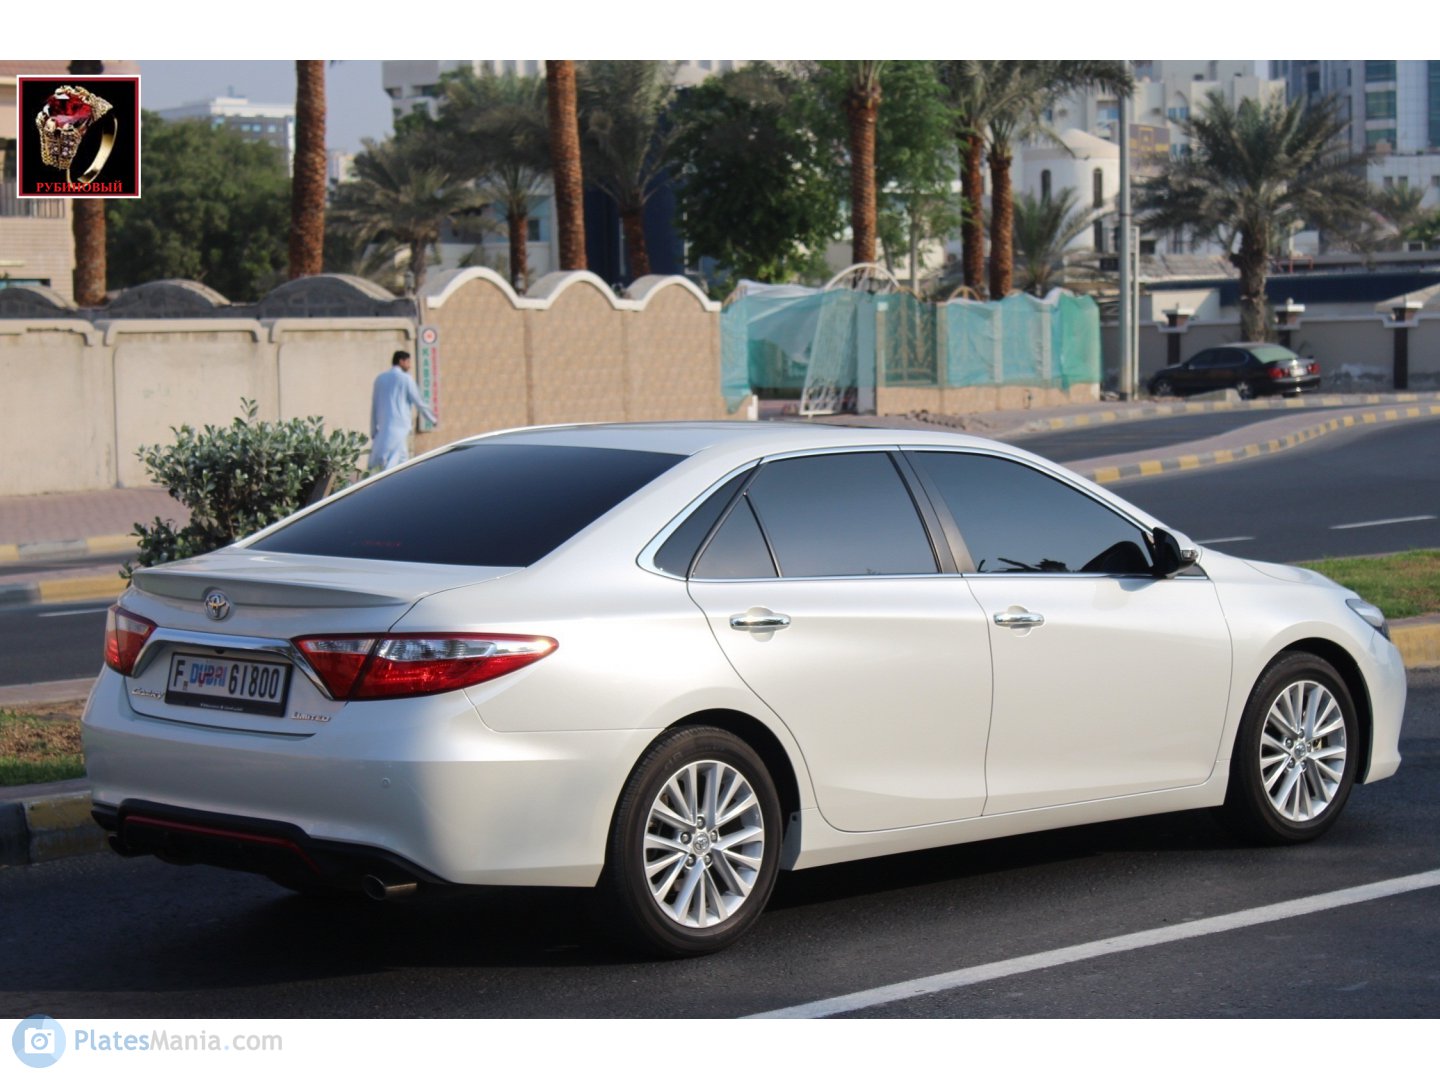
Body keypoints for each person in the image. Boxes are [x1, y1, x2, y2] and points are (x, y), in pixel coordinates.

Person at [368, 349, 438, 471]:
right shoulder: (405, 379)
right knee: (396, 465)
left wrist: (373, 430)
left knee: (388, 463)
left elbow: (374, 405)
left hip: (383, 430)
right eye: (408, 362)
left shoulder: (380, 379)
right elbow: (419, 401)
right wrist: (432, 418)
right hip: (400, 428)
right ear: (401, 361)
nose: (410, 365)